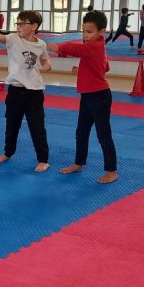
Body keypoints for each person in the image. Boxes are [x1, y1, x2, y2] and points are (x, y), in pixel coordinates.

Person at [0, 10, 51, 171]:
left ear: (34, 26)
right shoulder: (13, 39)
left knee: (37, 126)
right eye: (17, 23)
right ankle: (8, 153)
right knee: (11, 124)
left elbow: (44, 60)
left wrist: (47, 65)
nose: (18, 26)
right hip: (15, 91)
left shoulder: (41, 44)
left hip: (35, 92)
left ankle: (43, 160)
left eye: (22, 23)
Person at [46, 11, 118, 184]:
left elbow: (76, 49)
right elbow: (105, 67)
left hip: (99, 96)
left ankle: (111, 171)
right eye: (83, 31)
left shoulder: (95, 47)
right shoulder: (97, 47)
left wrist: (58, 47)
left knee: (103, 134)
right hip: (87, 95)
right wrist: (84, 70)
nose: (85, 35)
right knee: (81, 132)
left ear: (102, 31)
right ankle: (79, 163)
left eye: (89, 32)